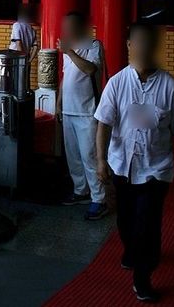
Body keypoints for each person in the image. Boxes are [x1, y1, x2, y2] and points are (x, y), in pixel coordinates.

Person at [95, 22, 174, 303]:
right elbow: (103, 124)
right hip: (122, 166)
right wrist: (101, 161)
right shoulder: (116, 83)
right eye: (138, 43)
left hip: (156, 168)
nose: (143, 49)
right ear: (129, 46)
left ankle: (143, 276)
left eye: (149, 43)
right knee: (126, 220)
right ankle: (131, 249)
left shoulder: (171, 87)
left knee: (147, 224)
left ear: (155, 48)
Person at [56, 11, 108, 220]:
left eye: (70, 26)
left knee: (90, 156)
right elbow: (65, 77)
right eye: (65, 26)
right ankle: (81, 191)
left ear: (80, 27)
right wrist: (59, 103)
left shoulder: (94, 45)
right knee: (73, 155)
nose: (66, 30)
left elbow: (90, 70)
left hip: (87, 111)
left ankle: (100, 199)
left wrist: (70, 53)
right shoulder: (68, 49)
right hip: (68, 110)